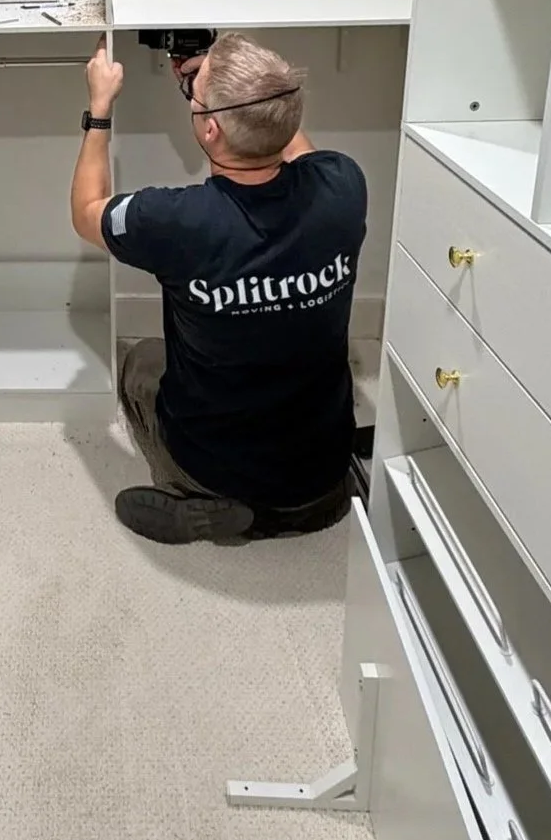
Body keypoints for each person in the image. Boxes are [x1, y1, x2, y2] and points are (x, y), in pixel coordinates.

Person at [69, 31, 367, 544]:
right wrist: (230, 84)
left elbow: (85, 213)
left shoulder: (175, 222)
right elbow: (281, 140)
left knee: (140, 363)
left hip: (221, 467)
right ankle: (314, 500)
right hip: (321, 465)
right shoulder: (342, 187)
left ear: (209, 130)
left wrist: (99, 106)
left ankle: (203, 495)